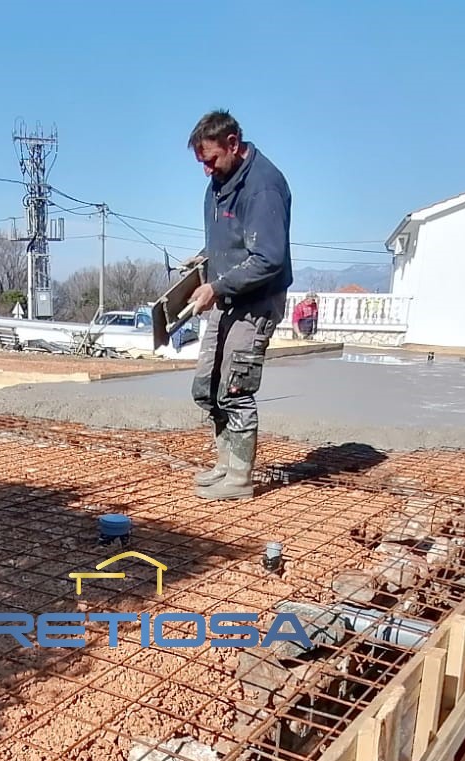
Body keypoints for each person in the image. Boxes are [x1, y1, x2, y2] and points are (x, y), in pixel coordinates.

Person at [184, 110, 293, 501]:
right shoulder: (219, 183)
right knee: (207, 387)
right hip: (228, 295)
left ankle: (240, 478)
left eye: (211, 160)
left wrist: (216, 286)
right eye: (201, 162)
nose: (206, 170)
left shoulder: (263, 187)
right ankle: (225, 464)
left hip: (256, 302)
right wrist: (205, 259)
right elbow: (229, 240)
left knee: (235, 387)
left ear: (233, 144)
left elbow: (267, 258)